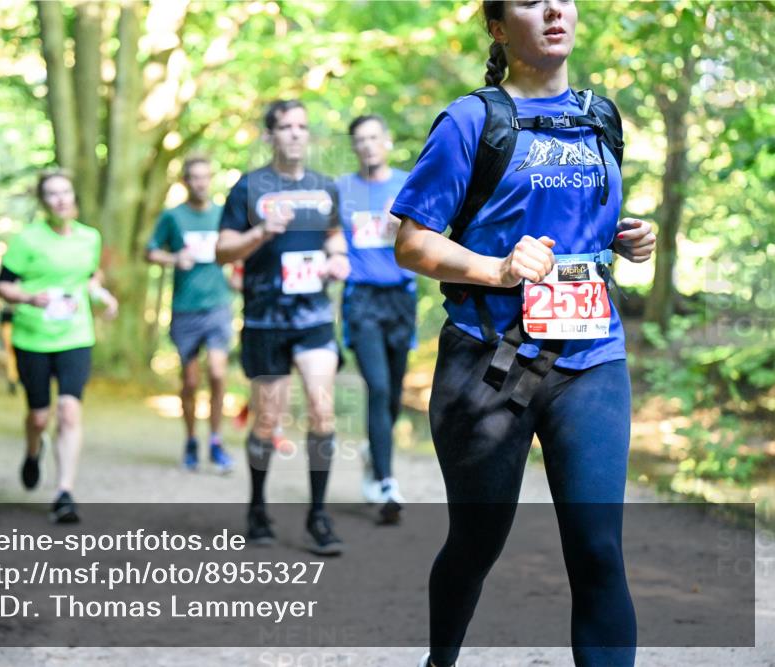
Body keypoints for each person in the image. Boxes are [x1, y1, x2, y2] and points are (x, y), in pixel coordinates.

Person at [391, 2, 656, 666]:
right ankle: (439, 660)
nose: (555, 11)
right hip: (489, 363)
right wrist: (498, 268)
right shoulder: (470, 120)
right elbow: (412, 243)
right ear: (500, 27)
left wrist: (625, 235)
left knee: (598, 548)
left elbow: (579, 223)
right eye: (532, 1)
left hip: (590, 357)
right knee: (477, 541)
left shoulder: (601, 117)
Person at [216, 99, 350, 556]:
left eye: (302, 126)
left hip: (313, 319)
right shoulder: (249, 187)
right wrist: (260, 233)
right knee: (268, 419)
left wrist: (338, 260)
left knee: (322, 410)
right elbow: (222, 249)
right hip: (264, 320)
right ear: (270, 136)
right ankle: (257, 507)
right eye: (285, 127)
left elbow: (335, 237)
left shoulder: (324, 187)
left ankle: (318, 516)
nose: (295, 134)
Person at [0, 171, 118, 524]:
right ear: (43, 202)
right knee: (39, 415)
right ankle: (33, 451)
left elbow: (90, 277)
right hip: (32, 337)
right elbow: (3, 285)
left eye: (66, 192)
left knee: (68, 411)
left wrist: (101, 295)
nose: (61, 199)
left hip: (76, 336)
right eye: (52, 194)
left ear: (74, 196)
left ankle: (64, 492)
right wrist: (30, 297)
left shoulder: (89, 238)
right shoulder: (27, 240)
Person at [337, 114, 416, 524]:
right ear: (354, 147)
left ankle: (375, 450)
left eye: (373, 137)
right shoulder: (342, 190)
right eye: (360, 140)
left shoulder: (407, 183)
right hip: (362, 300)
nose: (367, 145)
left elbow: (435, 232)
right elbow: (328, 238)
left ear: (386, 141)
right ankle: (387, 483)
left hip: (400, 299)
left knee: (395, 394)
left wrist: (403, 223)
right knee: (378, 387)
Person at [146, 156, 235, 474]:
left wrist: (237, 273)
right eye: (194, 178)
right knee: (191, 380)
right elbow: (150, 251)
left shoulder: (223, 215)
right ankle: (190, 440)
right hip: (185, 309)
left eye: (205, 177)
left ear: (211, 179)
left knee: (217, 372)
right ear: (185, 181)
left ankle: (215, 439)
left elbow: (235, 252)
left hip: (218, 306)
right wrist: (173, 259)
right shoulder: (173, 217)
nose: (200, 183)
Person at [0, 304, 18, 395]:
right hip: (8, 321)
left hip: (26, 323)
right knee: (10, 352)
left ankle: (16, 377)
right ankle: (12, 379)